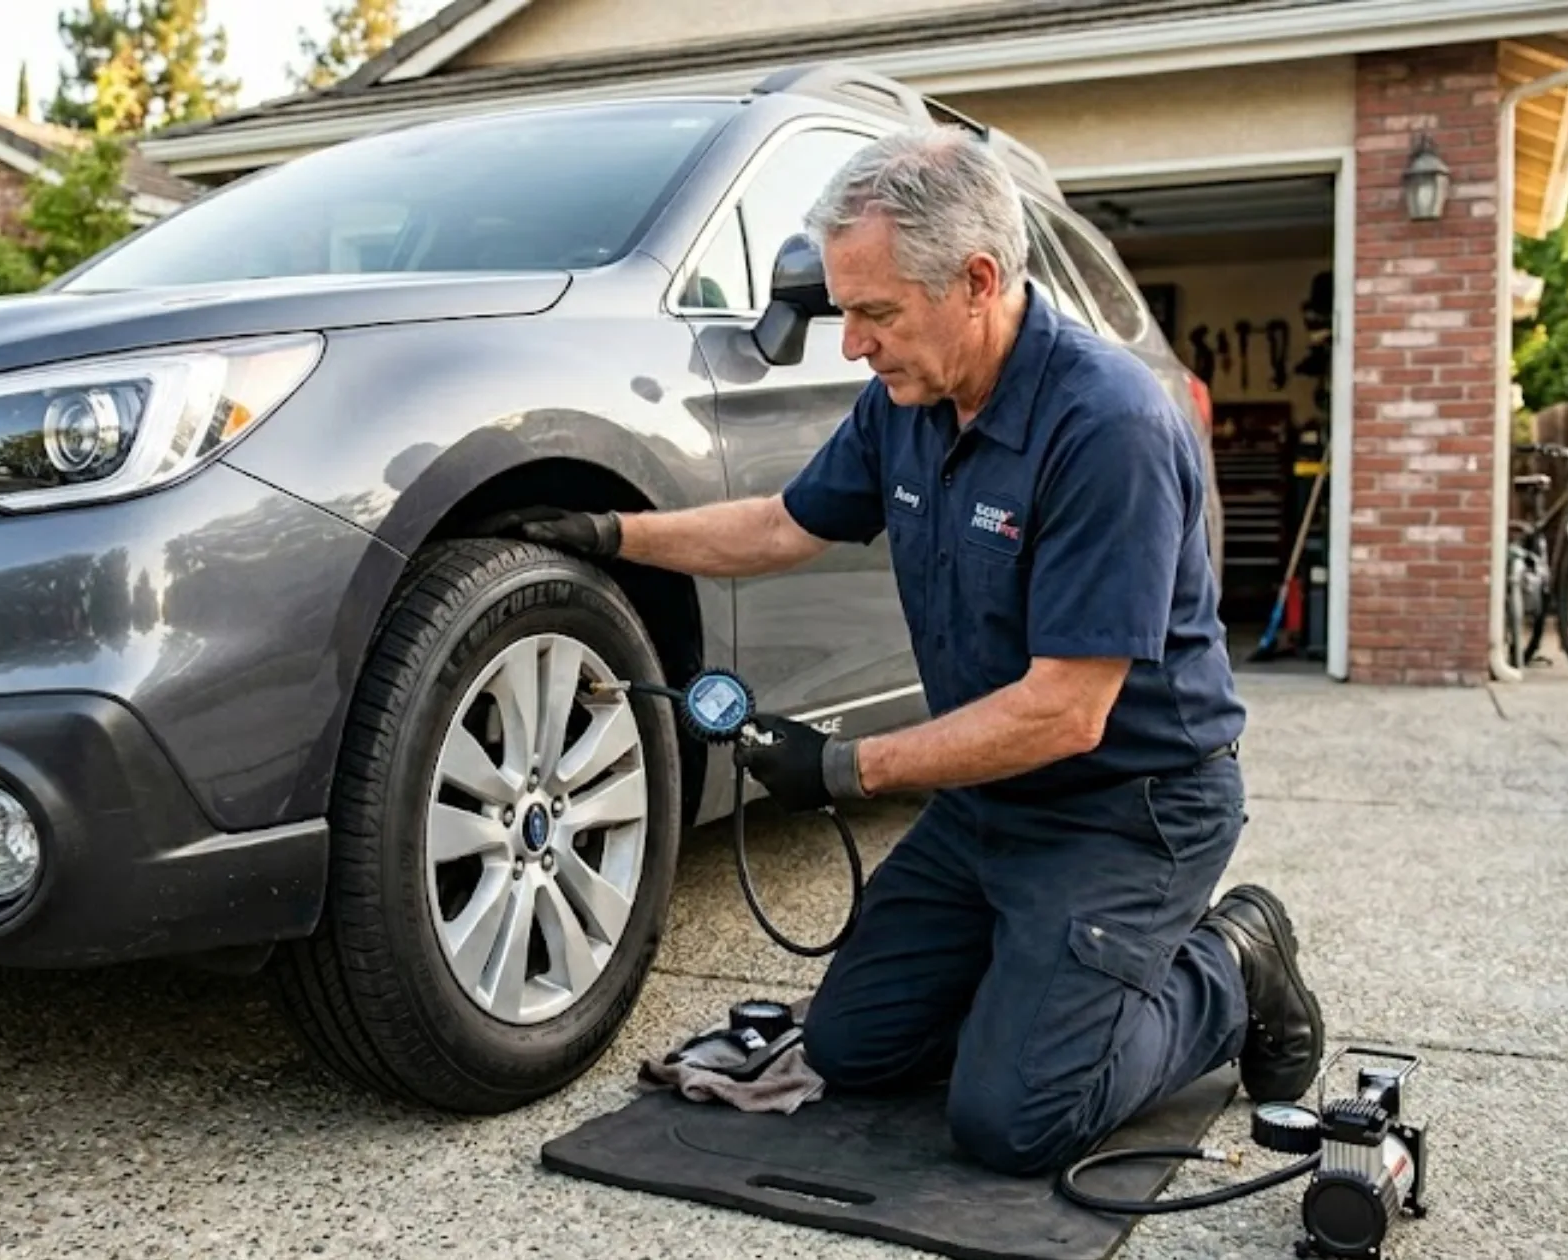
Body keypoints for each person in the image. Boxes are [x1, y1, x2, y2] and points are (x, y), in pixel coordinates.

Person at [487, 127, 1323, 1177]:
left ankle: (1229, 962)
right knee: (850, 1050)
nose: (852, 344)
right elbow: (784, 527)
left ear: (975, 281)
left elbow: (1066, 710)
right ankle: (1041, 983)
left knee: (1015, 1121)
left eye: (874, 314)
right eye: (847, 311)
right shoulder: (906, 404)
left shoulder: (1104, 426)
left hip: (1125, 809)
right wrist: (612, 534)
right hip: (988, 807)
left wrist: (841, 765)